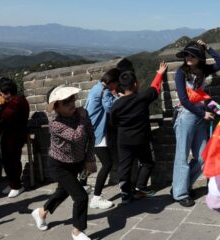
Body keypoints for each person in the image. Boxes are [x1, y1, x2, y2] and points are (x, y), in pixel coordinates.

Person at [31, 85, 97, 240]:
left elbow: (91, 136)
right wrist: (82, 118)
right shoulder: (55, 123)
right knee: (81, 197)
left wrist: (89, 159)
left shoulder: (82, 113)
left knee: (62, 191)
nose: (71, 104)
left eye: (72, 99)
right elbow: (76, 137)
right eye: (65, 102)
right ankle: (77, 231)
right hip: (59, 164)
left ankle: (41, 212)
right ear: (56, 107)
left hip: (77, 162)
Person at [172, 40, 220, 207]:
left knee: (203, 156)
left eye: (193, 55)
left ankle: (182, 185)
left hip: (201, 116)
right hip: (187, 116)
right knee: (182, 155)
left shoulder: (203, 71)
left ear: (199, 58)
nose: (189, 57)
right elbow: (184, 100)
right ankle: (180, 194)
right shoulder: (181, 73)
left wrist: (208, 48)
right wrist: (203, 113)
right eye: (187, 54)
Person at [110, 61, 168, 204]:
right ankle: (141, 187)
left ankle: (125, 194)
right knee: (147, 162)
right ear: (136, 84)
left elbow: (113, 122)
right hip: (141, 139)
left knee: (125, 167)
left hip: (123, 140)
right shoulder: (143, 97)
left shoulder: (116, 104)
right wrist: (160, 73)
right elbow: (155, 88)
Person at [85, 68, 120, 209]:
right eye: (116, 84)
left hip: (89, 130)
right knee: (107, 164)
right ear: (112, 82)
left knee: (87, 160)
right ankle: (96, 198)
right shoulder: (105, 91)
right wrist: (119, 97)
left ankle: (82, 186)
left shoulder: (96, 87)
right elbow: (110, 108)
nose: (116, 87)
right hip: (96, 132)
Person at [0, 78, 30, 197]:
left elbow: (1, 119)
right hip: (10, 135)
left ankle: (17, 186)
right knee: (7, 160)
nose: (0, 96)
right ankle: (12, 184)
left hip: (15, 136)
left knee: (12, 161)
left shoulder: (16, 103)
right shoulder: (15, 101)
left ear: (8, 94)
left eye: (1, 94)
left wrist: (0, 106)